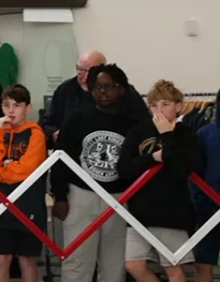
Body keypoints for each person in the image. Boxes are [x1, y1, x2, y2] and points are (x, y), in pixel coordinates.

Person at [50, 64, 139, 282]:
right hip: (81, 196)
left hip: (119, 199)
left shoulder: (134, 124)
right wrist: (59, 196)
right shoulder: (76, 119)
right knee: (77, 262)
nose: (102, 91)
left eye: (108, 86)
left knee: (114, 266)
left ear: (122, 89)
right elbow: (61, 161)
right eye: (97, 86)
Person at [121, 80, 200, 282]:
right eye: (154, 105)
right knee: (133, 264)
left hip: (172, 212)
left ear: (179, 106)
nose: (159, 110)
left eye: (165, 104)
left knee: (172, 267)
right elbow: (124, 169)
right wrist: (153, 158)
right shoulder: (138, 132)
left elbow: (181, 170)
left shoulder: (187, 135)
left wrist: (166, 134)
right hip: (139, 212)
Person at [0, 85, 46, 282]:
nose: (10, 111)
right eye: (6, 105)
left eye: (16, 105)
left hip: (28, 205)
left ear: (28, 108)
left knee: (27, 258)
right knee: (1, 258)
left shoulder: (36, 134)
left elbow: (26, 170)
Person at [41, 50, 147, 147]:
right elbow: (47, 122)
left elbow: (143, 123)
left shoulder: (123, 90)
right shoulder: (66, 89)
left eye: (92, 71)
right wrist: (55, 133)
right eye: (81, 70)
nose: (86, 77)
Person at [192, 85, 220, 282]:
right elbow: (195, 173)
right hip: (209, 210)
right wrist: (202, 204)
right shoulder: (205, 134)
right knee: (203, 262)